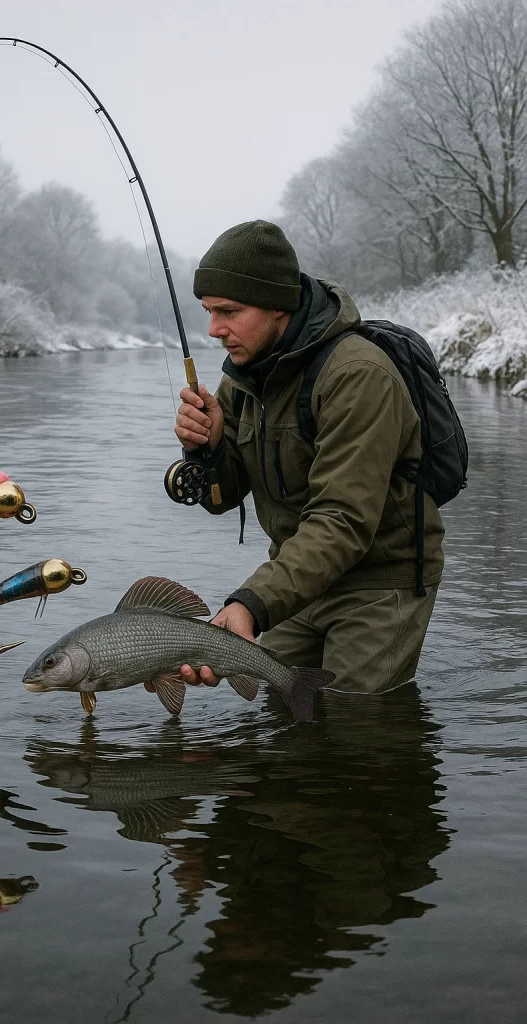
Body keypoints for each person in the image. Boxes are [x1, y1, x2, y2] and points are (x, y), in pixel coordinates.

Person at [173, 220, 444, 694]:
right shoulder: (241, 377)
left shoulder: (357, 375)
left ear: (278, 305)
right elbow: (222, 496)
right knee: (283, 701)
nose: (214, 330)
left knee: (349, 719)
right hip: (301, 580)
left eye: (229, 311)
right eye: (208, 312)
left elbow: (342, 520)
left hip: (381, 582)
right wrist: (209, 447)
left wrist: (250, 605)